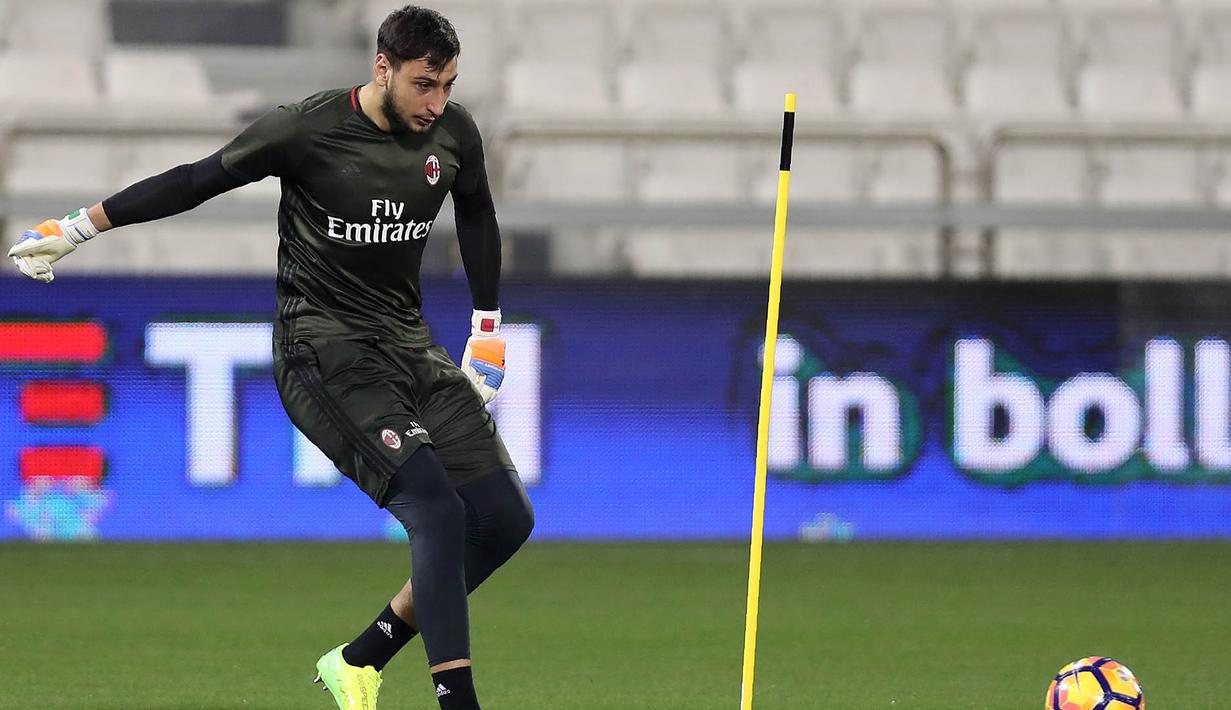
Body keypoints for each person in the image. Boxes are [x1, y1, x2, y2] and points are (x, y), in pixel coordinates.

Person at [7, 6, 534, 710]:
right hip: (322, 354)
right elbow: (197, 179)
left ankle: (360, 660)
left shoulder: (452, 132)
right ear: (383, 68)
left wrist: (488, 326)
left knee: (502, 518)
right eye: (424, 84)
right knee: (436, 512)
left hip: (410, 346)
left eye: (448, 85)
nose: (437, 102)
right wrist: (76, 227)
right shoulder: (305, 129)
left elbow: (475, 212)